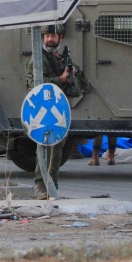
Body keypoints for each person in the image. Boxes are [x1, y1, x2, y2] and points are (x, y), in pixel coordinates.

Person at [26, 24, 87, 200]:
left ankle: (52, 186)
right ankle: (40, 185)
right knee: (43, 145)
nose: (49, 39)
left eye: (53, 36)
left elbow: (82, 82)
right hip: (42, 109)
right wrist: (60, 79)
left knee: (57, 146)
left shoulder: (61, 58)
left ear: (60, 37)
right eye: (47, 36)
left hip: (59, 108)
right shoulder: (37, 59)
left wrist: (74, 73)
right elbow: (37, 85)